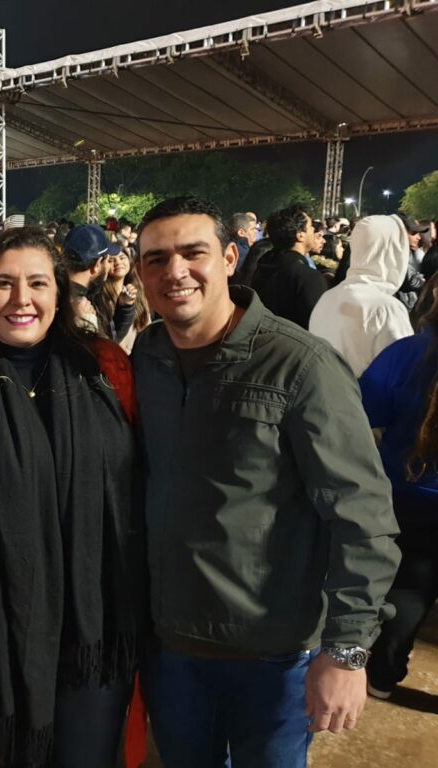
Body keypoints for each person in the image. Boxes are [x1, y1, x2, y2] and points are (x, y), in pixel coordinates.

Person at [131, 196, 401, 767]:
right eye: (156, 259)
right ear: (139, 273)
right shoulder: (145, 359)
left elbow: (363, 516)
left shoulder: (299, 365)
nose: (175, 271)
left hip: (271, 655)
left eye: (192, 252)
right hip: (171, 647)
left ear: (230, 257)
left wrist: (347, 652)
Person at [0, 226, 146, 768]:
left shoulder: (106, 367)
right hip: (6, 616)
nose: (21, 299)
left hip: (101, 618)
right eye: (4, 284)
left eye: (37, 283)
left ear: (59, 292)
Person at [359, 292, 438, 700]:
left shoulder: (408, 352)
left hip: (406, 491)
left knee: (407, 589)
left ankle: (383, 677)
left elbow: (364, 410)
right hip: (411, 492)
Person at [308, 215, 414, 377]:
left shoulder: (327, 297)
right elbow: (403, 373)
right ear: (393, 251)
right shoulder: (386, 308)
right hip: (367, 400)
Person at [251, 204, 327, 328]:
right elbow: (318, 328)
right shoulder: (309, 278)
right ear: (300, 235)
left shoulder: (261, 267)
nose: (314, 230)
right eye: (311, 226)